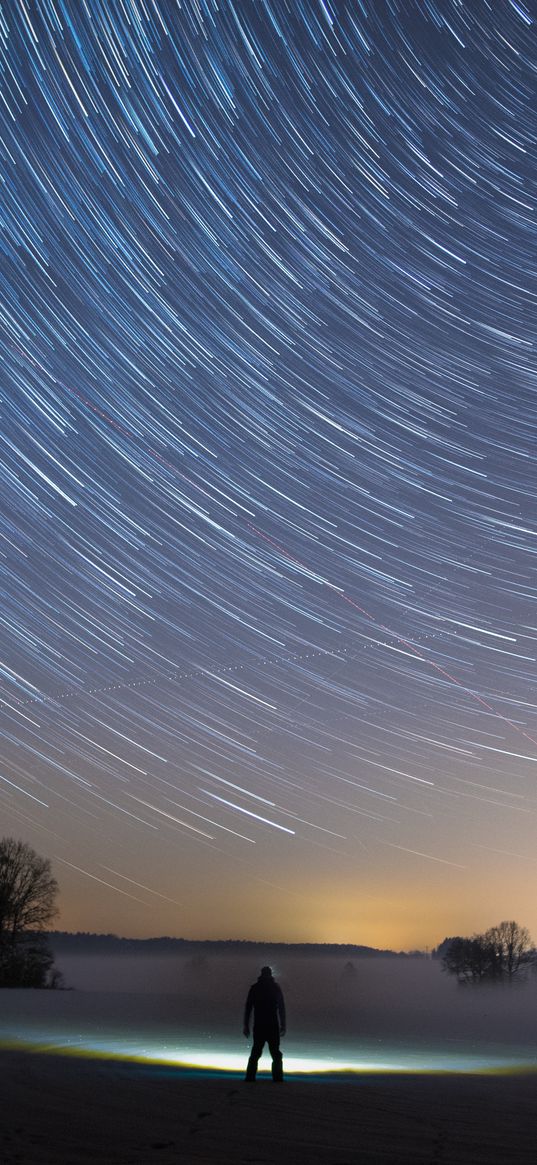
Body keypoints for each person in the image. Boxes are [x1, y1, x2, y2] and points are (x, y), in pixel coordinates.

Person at [243, 965, 286, 1082]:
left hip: (260, 1025)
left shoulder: (255, 988)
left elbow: (248, 1008)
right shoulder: (275, 988)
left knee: (256, 1052)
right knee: (275, 1053)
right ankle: (277, 1078)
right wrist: (283, 1024)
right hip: (272, 1025)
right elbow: (281, 1007)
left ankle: (250, 1077)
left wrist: (246, 1025)